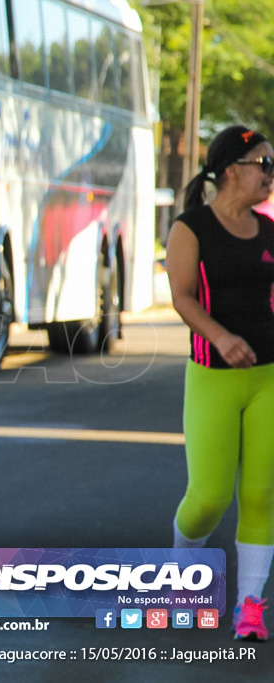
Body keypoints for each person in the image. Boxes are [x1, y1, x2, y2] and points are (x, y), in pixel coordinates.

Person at [167, 124, 274, 641]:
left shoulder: (270, 231)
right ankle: (181, 570)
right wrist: (222, 336)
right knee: (209, 496)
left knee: (260, 494)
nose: (270, 174)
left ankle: (250, 608)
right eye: (264, 163)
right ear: (233, 169)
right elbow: (183, 295)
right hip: (212, 376)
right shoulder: (191, 228)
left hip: (269, 379)